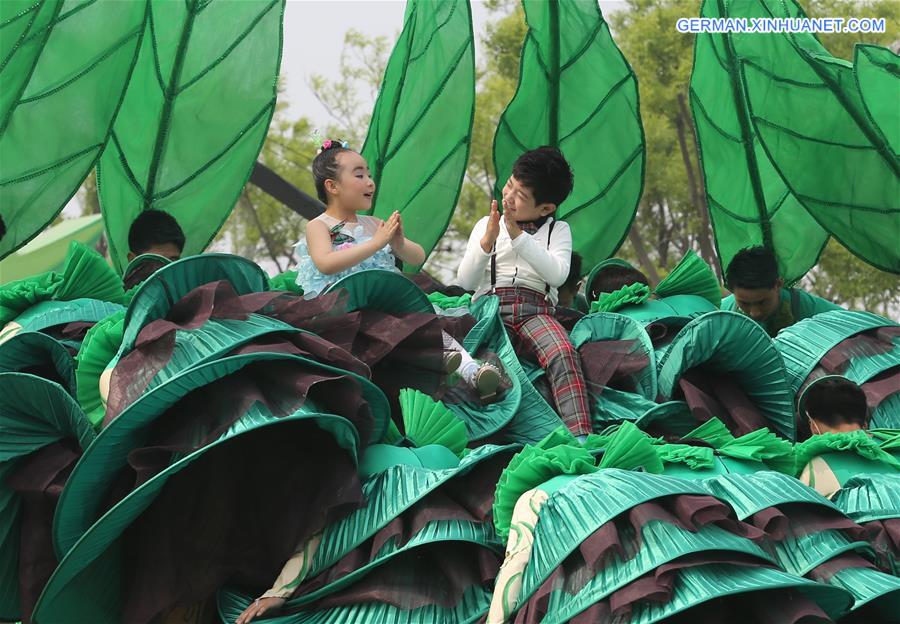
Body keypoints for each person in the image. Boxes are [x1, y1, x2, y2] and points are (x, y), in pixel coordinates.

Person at [295, 139, 500, 398]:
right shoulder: (319, 225)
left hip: (386, 303)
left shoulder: (374, 224)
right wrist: (377, 243)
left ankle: (473, 372)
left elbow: (417, 255)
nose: (370, 181)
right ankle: (441, 358)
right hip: (343, 313)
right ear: (332, 186)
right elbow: (325, 263)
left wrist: (398, 241)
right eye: (359, 175)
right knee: (395, 327)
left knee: (423, 320)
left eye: (369, 174)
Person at [456, 147, 591, 438]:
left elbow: (557, 274)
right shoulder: (485, 224)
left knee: (563, 352)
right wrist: (487, 242)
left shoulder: (558, 230)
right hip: (489, 307)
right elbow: (466, 281)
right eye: (509, 185)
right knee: (480, 355)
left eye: (520, 195)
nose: (508, 197)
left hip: (536, 310)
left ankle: (580, 434)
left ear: (546, 209)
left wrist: (518, 238)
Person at [722, 246, 840, 337]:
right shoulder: (719, 315)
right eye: (744, 303)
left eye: (762, 302)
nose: (755, 313)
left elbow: (855, 325)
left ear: (778, 284)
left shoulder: (810, 309)